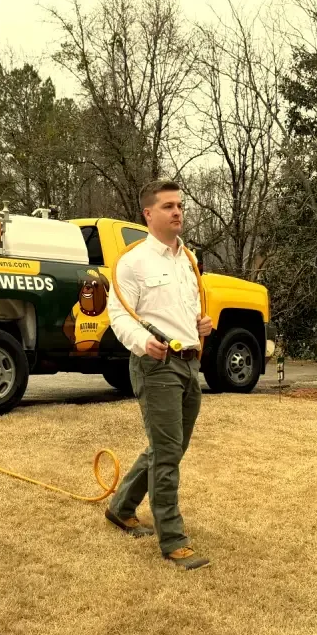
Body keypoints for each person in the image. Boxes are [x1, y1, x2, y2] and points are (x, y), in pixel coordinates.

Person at [104, 179, 213, 570]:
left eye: (179, 205)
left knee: (169, 447)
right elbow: (118, 316)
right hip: (156, 365)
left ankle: (121, 507)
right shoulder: (133, 262)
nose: (177, 212)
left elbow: (185, 307)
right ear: (148, 214)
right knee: (167, 453)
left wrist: (200, 325)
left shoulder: (188, 259)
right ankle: (173, 540)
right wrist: (142, 342)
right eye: (168, 206)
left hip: (188, 363)